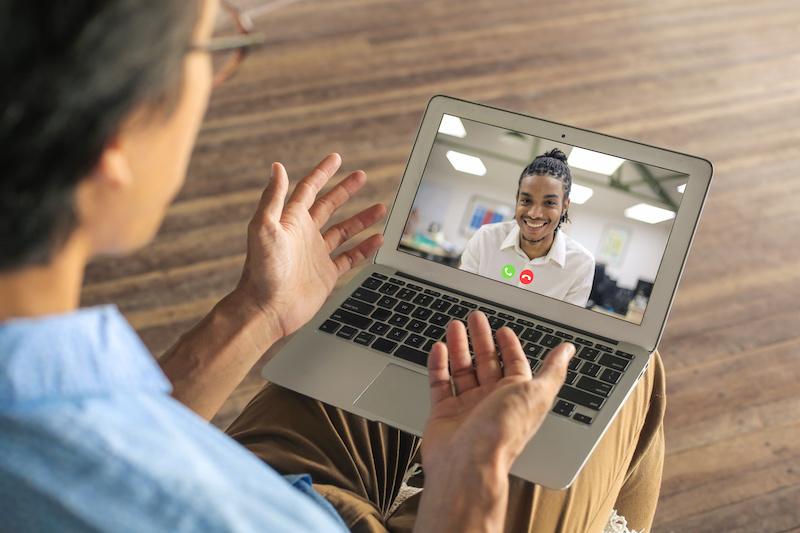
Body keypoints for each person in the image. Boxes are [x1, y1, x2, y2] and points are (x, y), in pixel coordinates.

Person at [0, 1, 665, 532]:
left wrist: (257, 312)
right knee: (629, 375)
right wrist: (471, 475)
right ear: (113, 142)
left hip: (273, 480)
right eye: (209, 48)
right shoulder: (188, 508)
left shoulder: (52, 407)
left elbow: (112, 437)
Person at [459, 149, 596, 307]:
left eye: (549, 203)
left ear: (565, 207)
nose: (534, 214)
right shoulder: (485, 238)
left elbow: (565, 325)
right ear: (517, 199)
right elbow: (461, 298)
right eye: (526, 200)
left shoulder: (581, 263)